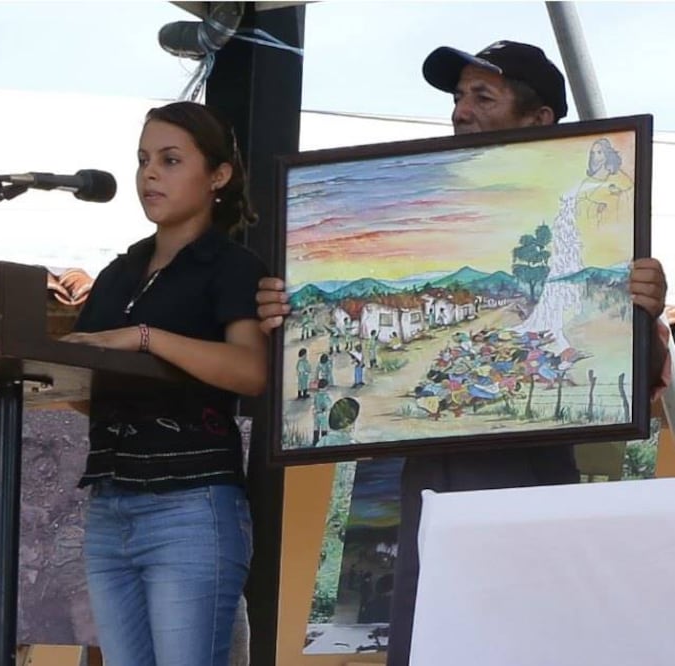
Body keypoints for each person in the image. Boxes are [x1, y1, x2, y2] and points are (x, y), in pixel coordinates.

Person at [255, 40, 670, 666]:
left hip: (525, 496)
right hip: (428, 489)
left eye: (483, 96)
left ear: (539, 120)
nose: (460, 111)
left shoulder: (596, 224)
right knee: (428, 636)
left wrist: (640, 313)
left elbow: (637, 383)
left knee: (517, 641)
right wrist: (284, 318)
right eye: (457, 98)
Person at [62, 100, 268, 666]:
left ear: (218, 175)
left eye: (171, 160)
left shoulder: (232, 266)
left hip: (191, 502)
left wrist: (146, 338)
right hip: (110, 503)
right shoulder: (118, 272)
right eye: (143, 160)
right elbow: (84, 379)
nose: (149, 174)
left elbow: (249, 371)